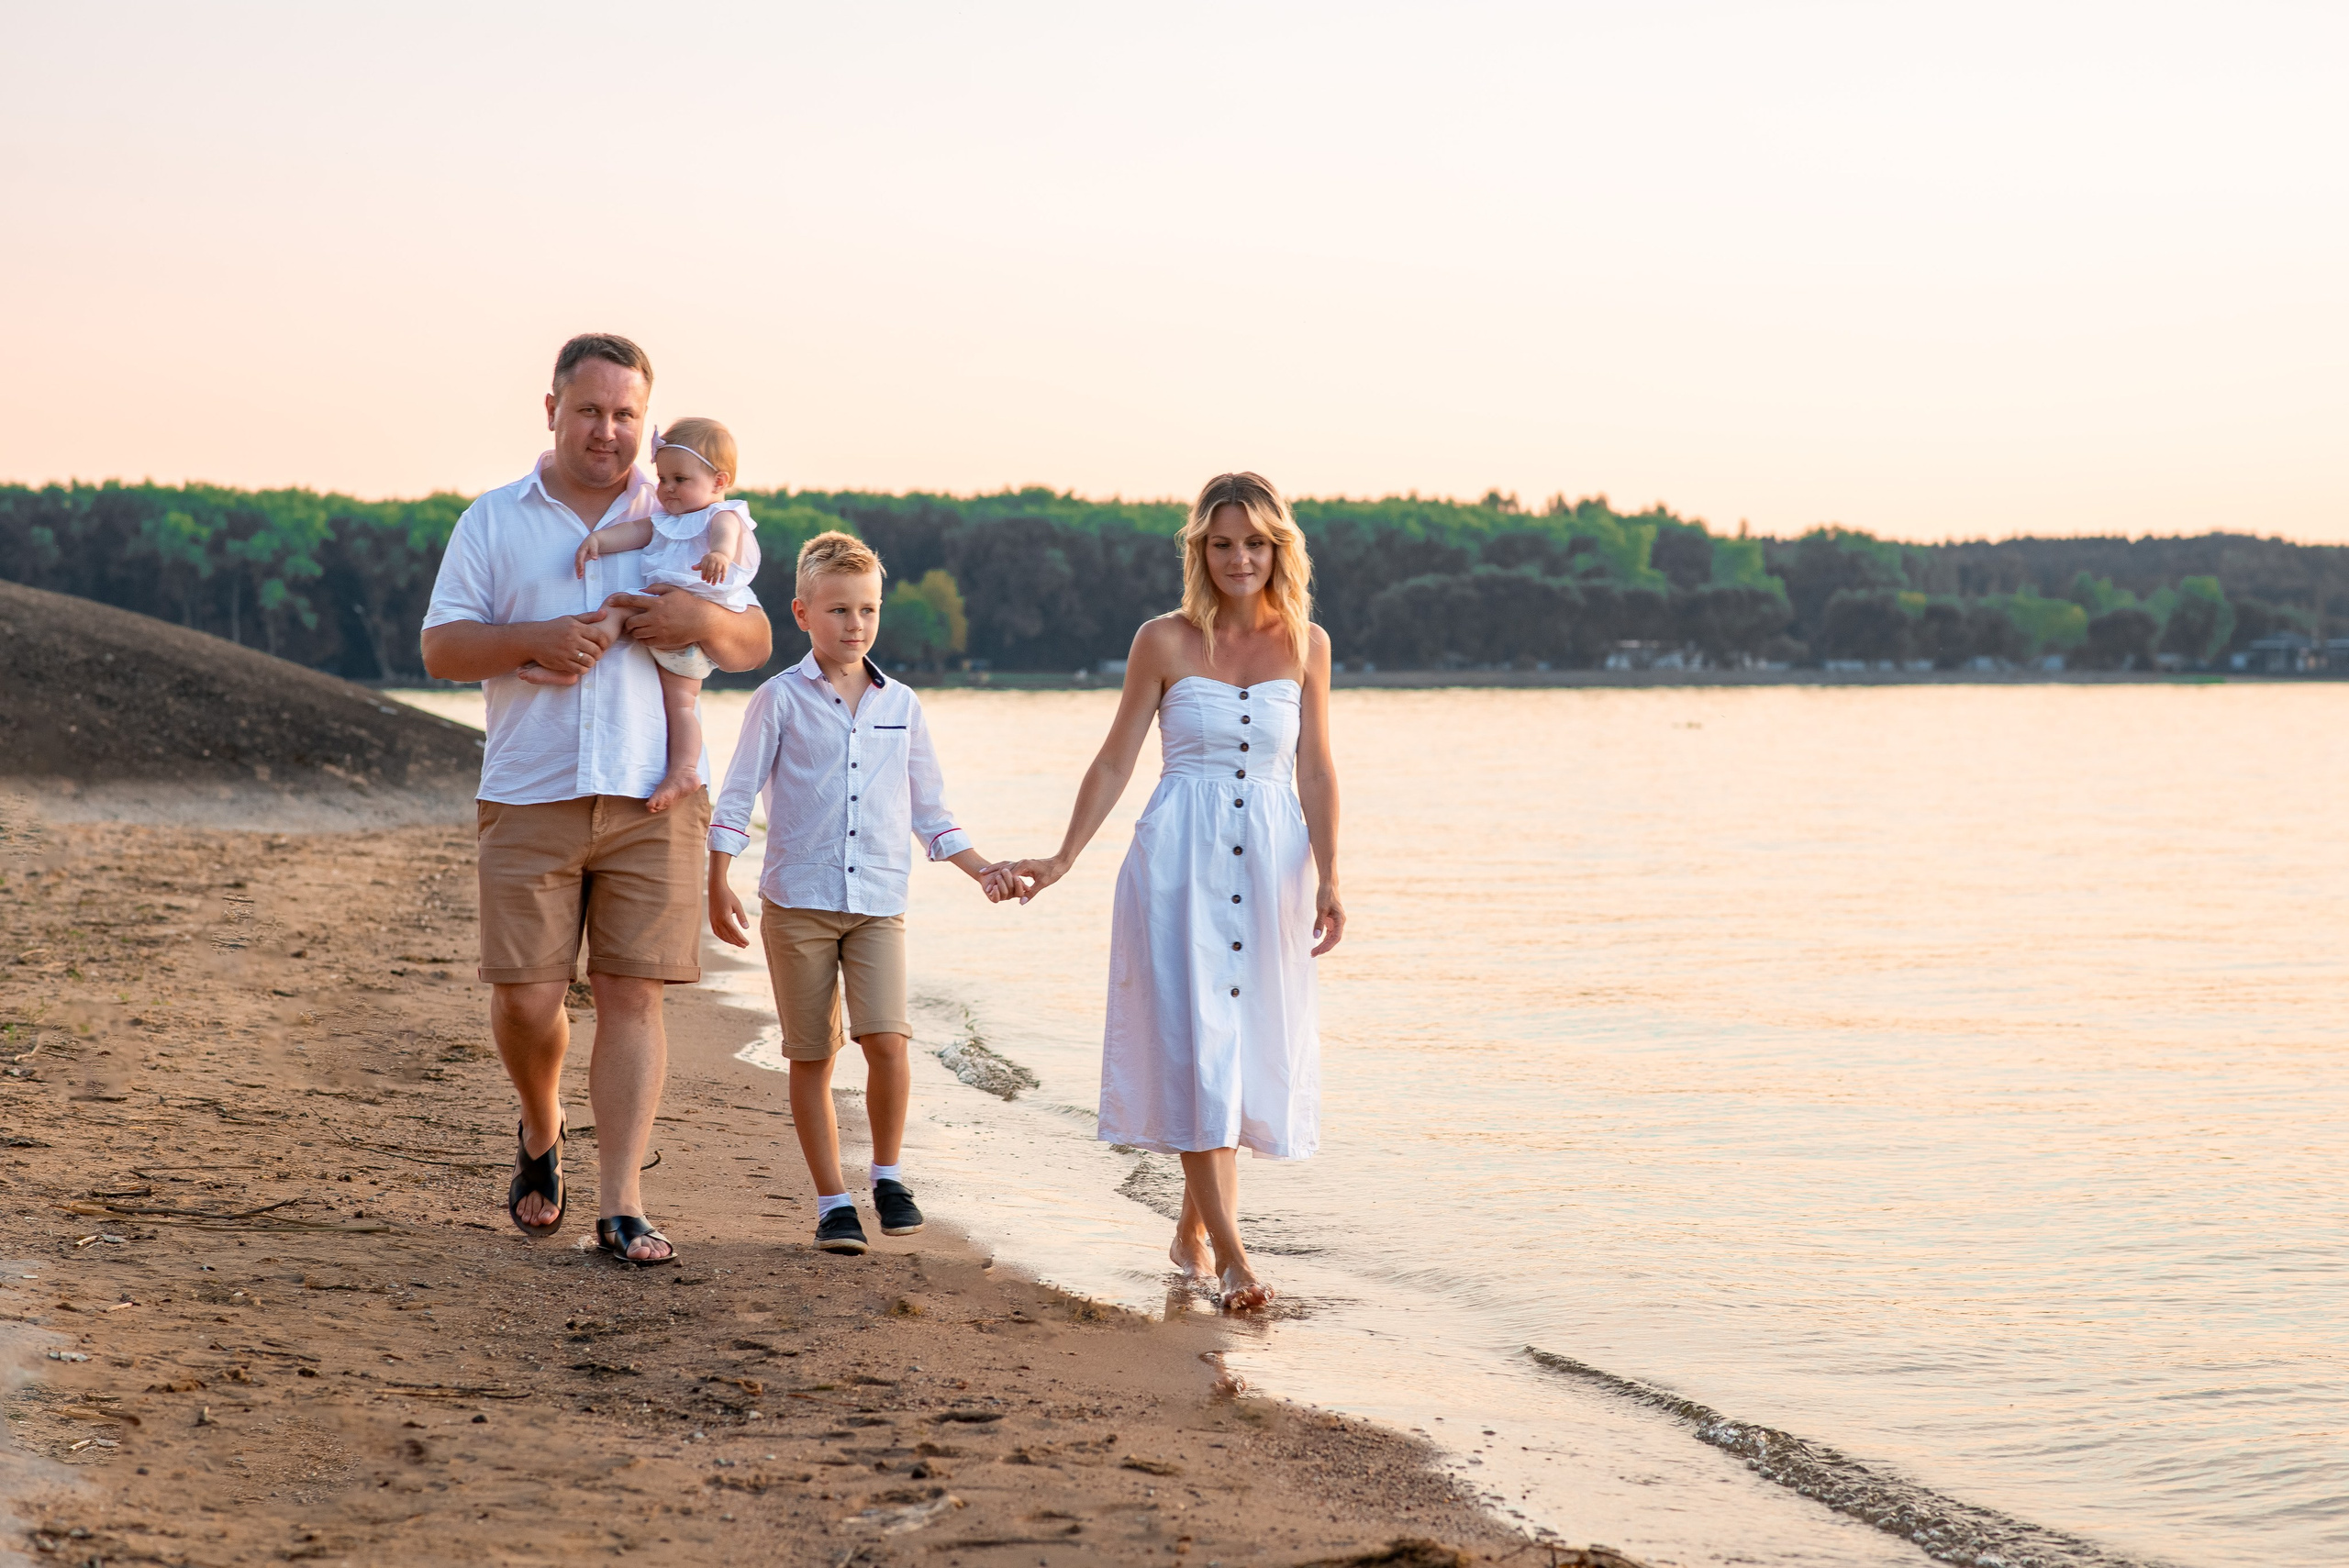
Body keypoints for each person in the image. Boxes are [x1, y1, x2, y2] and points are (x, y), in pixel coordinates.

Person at [419, 332, 773, 1267]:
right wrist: (538, 635)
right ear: (552, 409)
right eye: (590, 410)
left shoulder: (690, 510)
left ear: (646, 420)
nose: (608, 431)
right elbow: (442, 650)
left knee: (631, 992)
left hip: (654, 797)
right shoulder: (494, 520)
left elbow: (754, 637)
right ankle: (542, 1123)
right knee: (529, 998)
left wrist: (699, 618)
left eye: (625, 414)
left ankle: (622, 1205)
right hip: (529, 788)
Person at [994, 472, 1344, 1311]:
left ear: (1278, 548)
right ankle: (1234, 1260)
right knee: (1197, 1049)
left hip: (1270, 866)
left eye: (1254, 542)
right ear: (1200, 549)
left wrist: (1333, 874)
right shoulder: (1163, 640)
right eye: (1221, 543)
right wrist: (1067, 854)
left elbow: (1316, 765)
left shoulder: (1308, 644)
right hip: (1178, 863)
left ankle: (1192, 1230)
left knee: (1240, 1050)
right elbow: (1116, 757)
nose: (1238, 558)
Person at [707, 531, 1010, 1255]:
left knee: (888, 1041)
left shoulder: (901, 704)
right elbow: (738, 792)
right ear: (803, 612)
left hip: (879, 903)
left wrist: (984, 868)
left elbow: (929, 811)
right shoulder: (777, 699)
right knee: (812, 1056)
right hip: (798, 904)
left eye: (868, 610)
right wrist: (716, 879)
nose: (856, 624)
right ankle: (833, 1201)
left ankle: (887, 1175)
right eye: (839, 609)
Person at [573, 416, 760, 814]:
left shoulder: (720, 516)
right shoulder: (665, 520)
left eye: (680, 480)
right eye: (662, 479)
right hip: (659, 624)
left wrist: (719, 555)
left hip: (692, 636)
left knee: (681, 704)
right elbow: (635, 533)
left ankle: (685, 769)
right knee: (618, 609)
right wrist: (598, 540)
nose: (667, 489)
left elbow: (726, 538)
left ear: (719, 482)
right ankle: (575, 664)